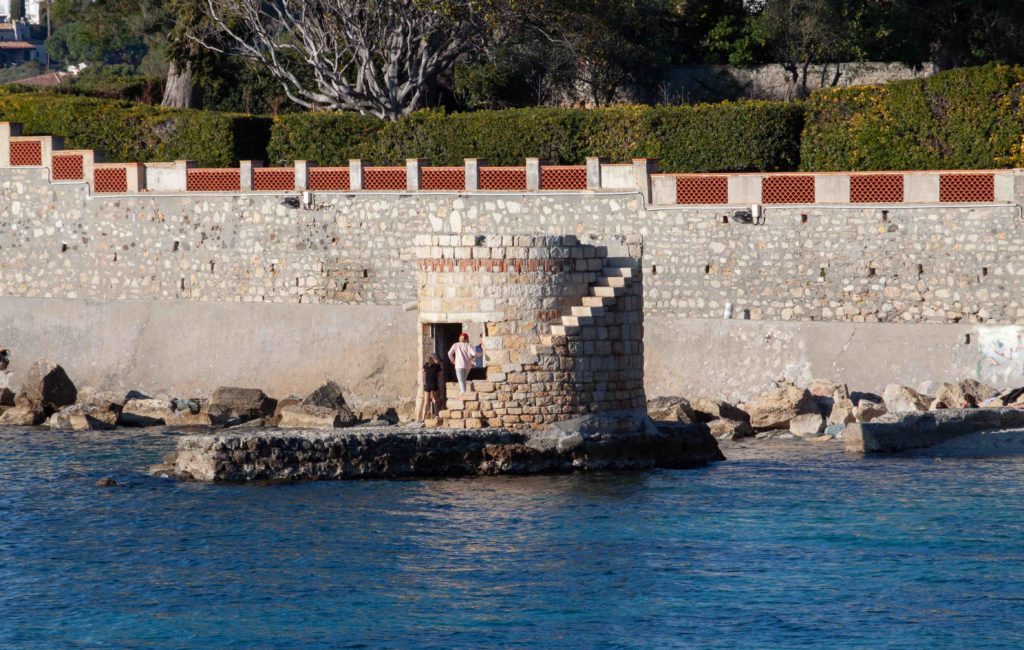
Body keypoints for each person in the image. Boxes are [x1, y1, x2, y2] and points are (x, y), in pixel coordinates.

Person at [420, 354, 444, 420]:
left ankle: (422, 419)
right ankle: (437, 415)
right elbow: (440, 376)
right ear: (434, 359)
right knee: (435, 400)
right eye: (437, 358)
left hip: (427, 385)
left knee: (426, 402)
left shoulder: (426, 364)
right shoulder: (437, 366)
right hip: (434, 384)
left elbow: (422, 372)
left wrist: (424, 381)